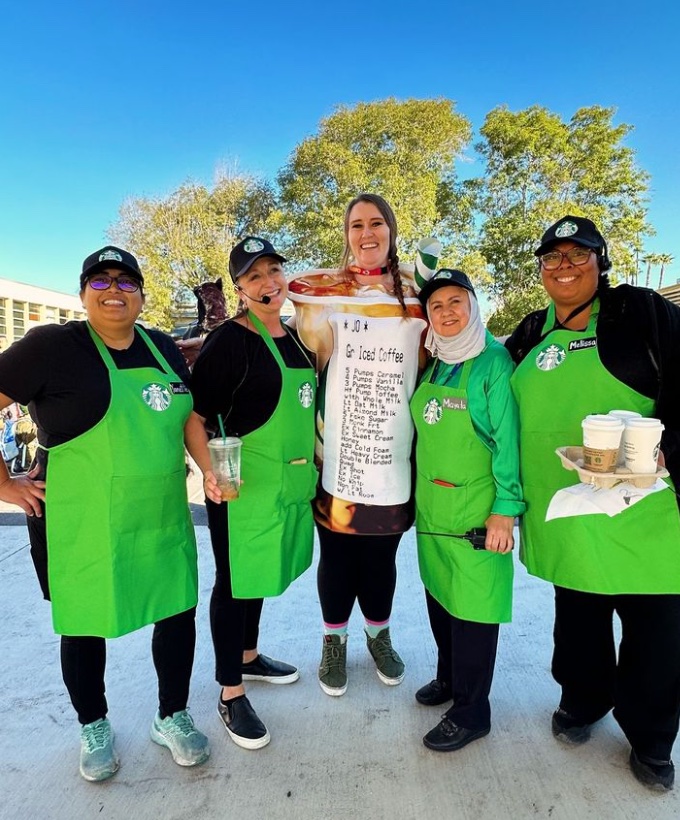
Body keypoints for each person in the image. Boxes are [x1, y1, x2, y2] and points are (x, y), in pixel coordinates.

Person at [0, 246, 209, 782]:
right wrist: (5, 483)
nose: (113, 289)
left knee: (176, 610)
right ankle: (93, 725)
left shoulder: (162, 346)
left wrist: (211, 470)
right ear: (83, 293)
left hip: (161, 513)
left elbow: (187, 417)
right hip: (81, 519)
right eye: (100, 281)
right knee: (84, 624)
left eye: (125, 280)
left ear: (141, 293)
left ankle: (172, 714)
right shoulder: (51, 347)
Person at [506, 215, 680, 791]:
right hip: (568, 509)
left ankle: (652, 739)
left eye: (578, 256)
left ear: (600, 263)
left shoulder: (640, 311)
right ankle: (582, 702)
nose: (564, 266)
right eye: (552, 258)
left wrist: (668, 451)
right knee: (577, 621)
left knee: (655, 632)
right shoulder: (530, 331)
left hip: (644, 509)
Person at [287, 193, 428, 695]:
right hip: (340, 450)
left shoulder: (416, 290)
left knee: (382, 560)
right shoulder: (330, 293)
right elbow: (295, 288)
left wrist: (408, 271)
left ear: (392, 230)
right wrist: (352, 274)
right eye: (355, 226)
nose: (366, 233)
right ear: (345, 234)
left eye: (376, 224)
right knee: (338, 557)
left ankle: (378, 635)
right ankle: (334, 642)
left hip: (394, 453)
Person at [185, 236, 317, 749]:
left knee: (259, 570)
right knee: (235, 581)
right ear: (239, 290)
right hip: (241, 485)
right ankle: (230, 691)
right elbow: (194, 418)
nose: (268, 283)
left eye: (274, 271)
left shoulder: (299, 337)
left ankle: (248, 655)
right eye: (255, 277)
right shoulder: (228, 342)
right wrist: (208, 473)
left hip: (288, 483)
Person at [410, 269, 524, 752]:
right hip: (435, 510)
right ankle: (450, 678)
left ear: (474, 307)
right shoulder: (435, 362)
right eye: (437, 306)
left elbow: (507, 441)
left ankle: (473, 710)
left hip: (477, 511)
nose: (447, 312)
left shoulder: (492, 361)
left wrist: (505, 508)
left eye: (457, 302)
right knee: (441, 598)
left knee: (474, 610)